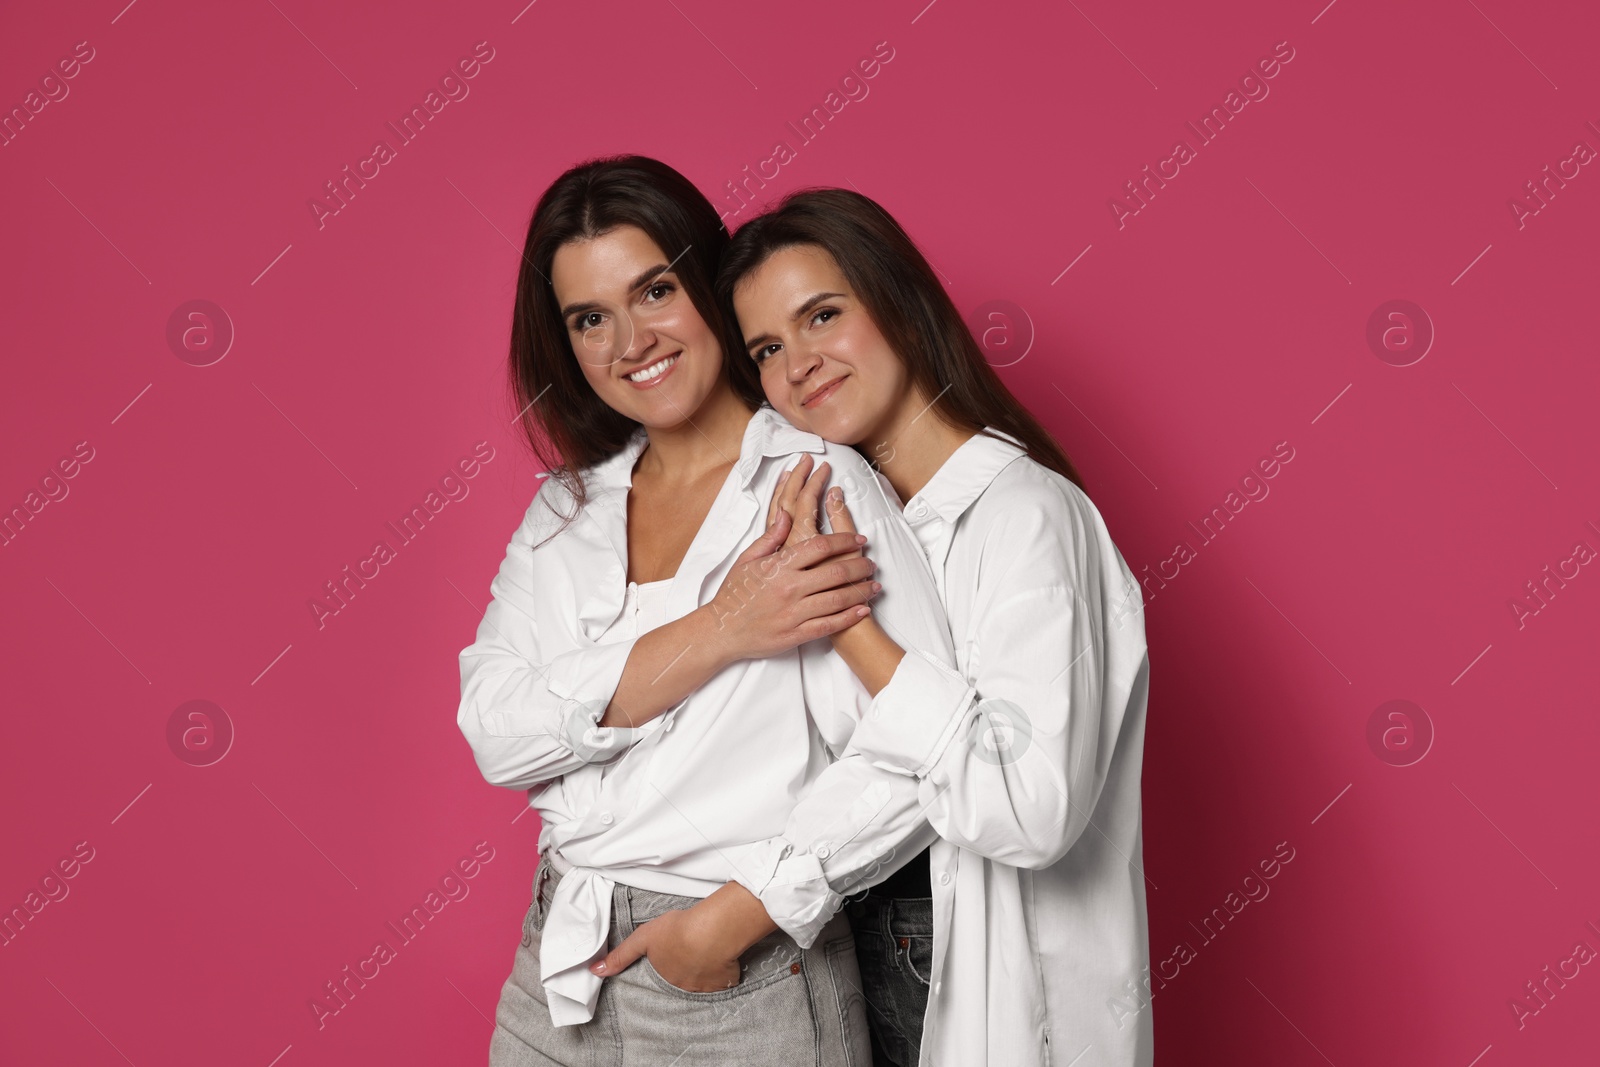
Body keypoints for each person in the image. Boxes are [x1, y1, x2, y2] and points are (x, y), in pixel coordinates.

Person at [600, 186, 1154, 1066]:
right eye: (768, 349)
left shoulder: (1024, 513)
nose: (800, 365)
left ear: (898, 300)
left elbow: (1031, 807)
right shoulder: (848, 514)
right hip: (844, 954)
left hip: (973, 975)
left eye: (822, 315)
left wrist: (849, 619)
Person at [455, 157, 958, 1066]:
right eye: (589, 319)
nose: (629, 340)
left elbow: (917, 746)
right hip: (555, 966)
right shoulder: (564, 512)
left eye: (654, 291)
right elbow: (496, 732)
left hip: (736, 979)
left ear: (706, 283)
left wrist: (740, 915)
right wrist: (720, 630)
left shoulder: (813, 483)